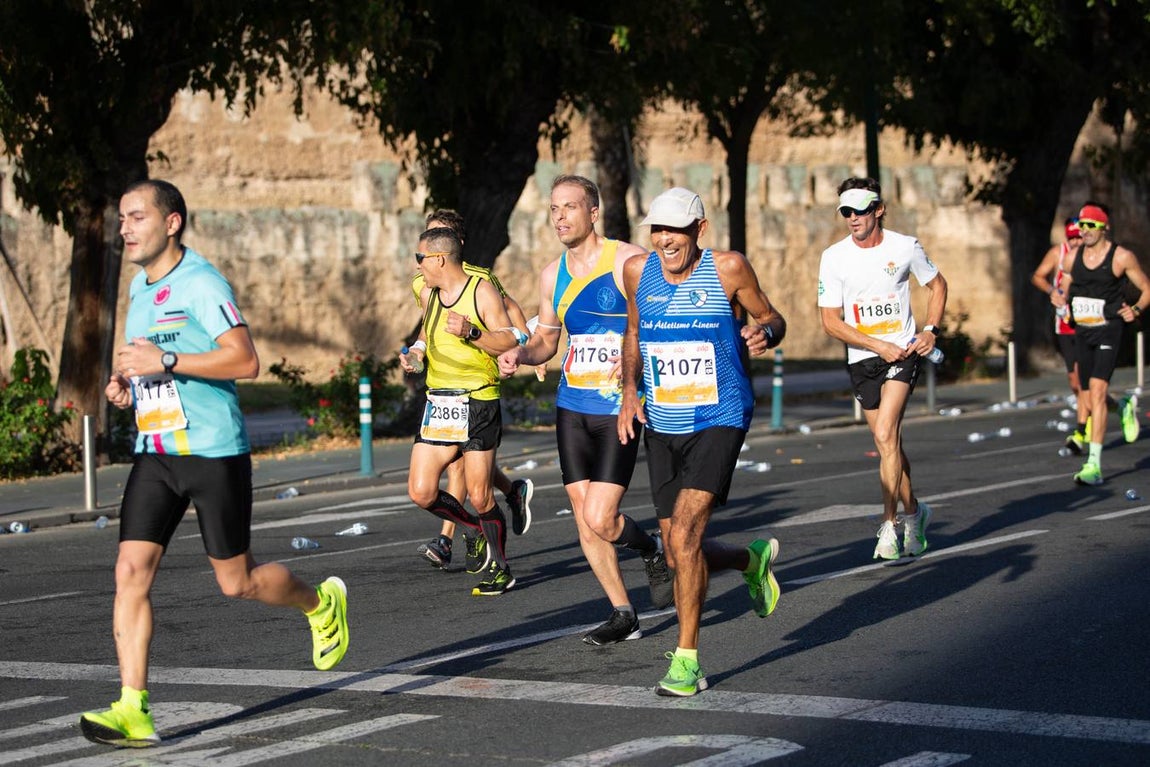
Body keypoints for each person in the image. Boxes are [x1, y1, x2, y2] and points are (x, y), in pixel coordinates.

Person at [80, 180, 349, 748]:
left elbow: (245, 360)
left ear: (172, 222)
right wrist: (124, 382)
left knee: (238, 582)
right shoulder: (136, 285)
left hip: (212, 452)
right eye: (122, 219)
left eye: (136, 217)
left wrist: (168, 357)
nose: (124, 228)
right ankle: (134, 709)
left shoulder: (202, 282)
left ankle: (319, 602)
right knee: (129, 573)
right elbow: (140, 358)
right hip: (157, 451)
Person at [617, 186, 784, 697]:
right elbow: (634, 331)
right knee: (674, 550)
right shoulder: (636, 272)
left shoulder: (728, 269)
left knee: (686, 535)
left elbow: (772, 317)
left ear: (699, 231)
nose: (666, 240)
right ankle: (748, 561)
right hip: (663, 422)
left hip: (720, 415)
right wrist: (629, 389)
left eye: (676, 231)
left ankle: (688, 660)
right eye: (658, 230)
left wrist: (766, 335)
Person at [498, 175, 672, 646]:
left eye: (569, 207)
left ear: (593, 212)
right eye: (554, 208)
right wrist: (521, 354)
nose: (559, 217)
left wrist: (639, 366)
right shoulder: (551, 275)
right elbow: (547, 341)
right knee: (582, 512)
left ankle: (649, 546)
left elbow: (660, 320)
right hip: (573, 404)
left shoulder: (629, 261)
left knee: (602, 516)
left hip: (619, 407)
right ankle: (622, 612)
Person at [817, 177, 948, 561]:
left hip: (904, 353)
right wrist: (876, 344)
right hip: (864, 358)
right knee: (888, 444)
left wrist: (930, 331)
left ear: (879, 209)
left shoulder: (905, 247)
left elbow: (937, 286)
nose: (853, 218)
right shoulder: (834, 257)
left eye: (860, 210)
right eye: (846, 211)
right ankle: (916, 512)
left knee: (887, 433)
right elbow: (830, 321)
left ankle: (889, 525)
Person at [410, 210, 533, 573]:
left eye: (422, 256)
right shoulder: (425, 289)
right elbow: (426, 329)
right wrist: (417, 352)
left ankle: (489, 558)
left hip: (476, 396)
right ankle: (481, 523)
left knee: (477, 489)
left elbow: (510, 327)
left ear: (442, 254)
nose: (417, 264)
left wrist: (523, 352)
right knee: (421, 490)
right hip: (439, 399)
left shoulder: (481, 284)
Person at [1063, 201, 1148, 485]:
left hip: (1109, 330)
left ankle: (1094, 465)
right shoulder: (1071, 257)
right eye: (1081, 225)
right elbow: (1063, 287)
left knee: (1097, 393)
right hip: (1082, 332)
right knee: (1088, 397)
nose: (1084, 230)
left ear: (1103, 228)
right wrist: (1058, 297)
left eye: (1090, 226)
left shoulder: (1120, 257)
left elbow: (1147, 289)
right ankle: (1123, 406)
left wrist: (1134, 310)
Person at [1031, 217, 1090, 451]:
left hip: (1089, 326)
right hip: (1065, 324)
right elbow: (1038, 276)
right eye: (1072, 237)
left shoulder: (1094, 256)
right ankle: (1117, 406)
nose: (1076, 242)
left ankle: (1082, 430)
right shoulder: (1060, 254)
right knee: (1075, 383)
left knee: (1085, 379)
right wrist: (1052, 291)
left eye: (1079, 237)